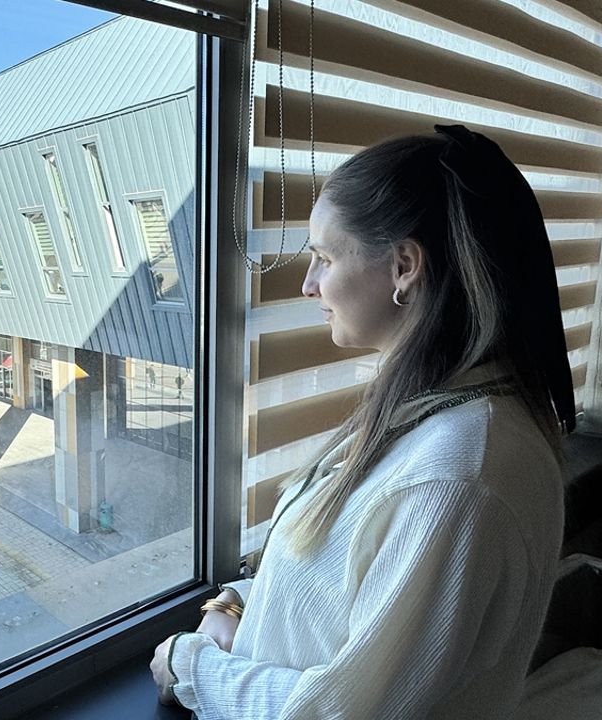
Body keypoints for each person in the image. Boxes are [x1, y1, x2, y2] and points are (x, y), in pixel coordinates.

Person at [149, 127, 577, 718]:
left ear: (404, 266)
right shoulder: (427, 411)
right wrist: (237, 605)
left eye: (324, 258)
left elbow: (343, 713)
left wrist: (190, 667)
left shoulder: (454, 477)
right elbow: (338, 588)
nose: (308, 285)